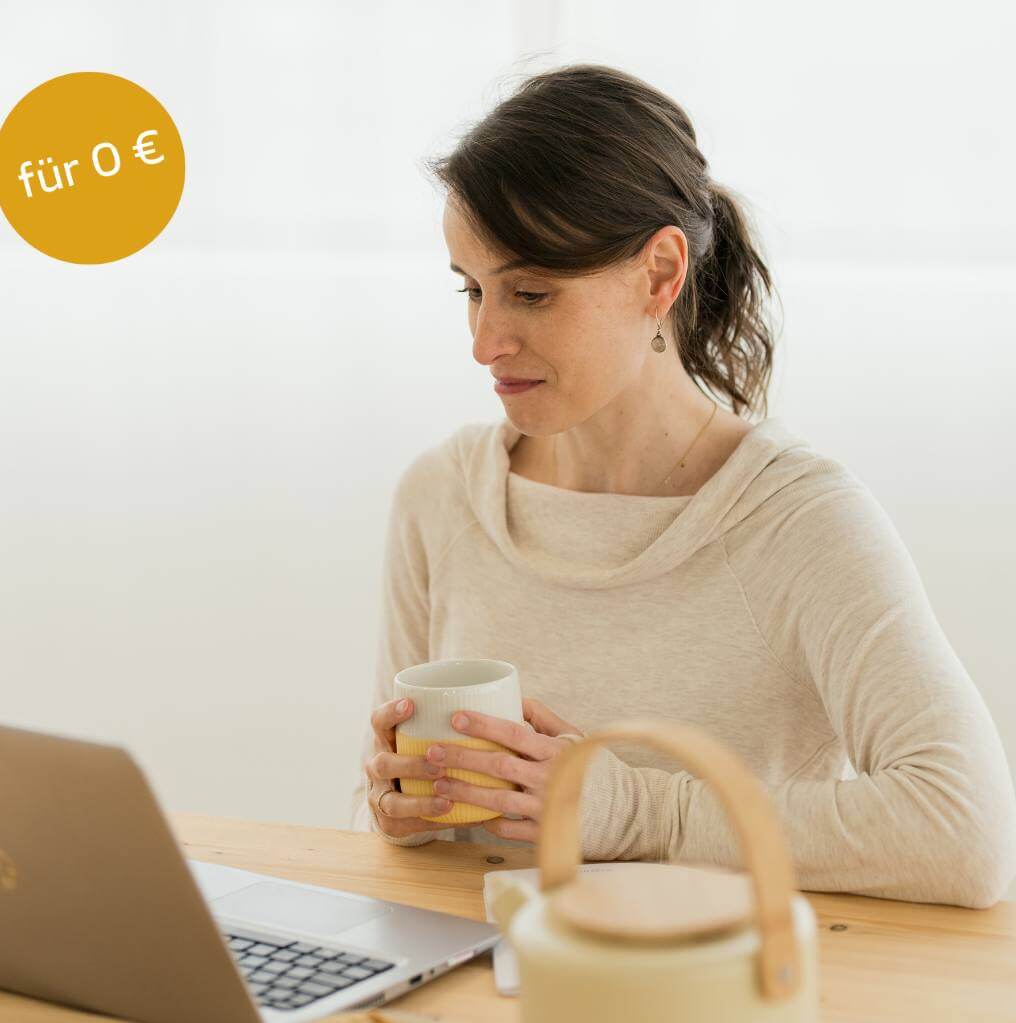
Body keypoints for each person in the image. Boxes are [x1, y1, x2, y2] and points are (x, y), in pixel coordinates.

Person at [351, 63, 1016, 908]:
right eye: (471, 290)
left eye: (530, 293)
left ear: (660, 275)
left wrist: (638, 812)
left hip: (711, 977)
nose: (484, 341)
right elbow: (396, 836)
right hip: (485, 974)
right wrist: (393, 809)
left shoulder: (797, 522)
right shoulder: (440, 497)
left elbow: (966, 832)